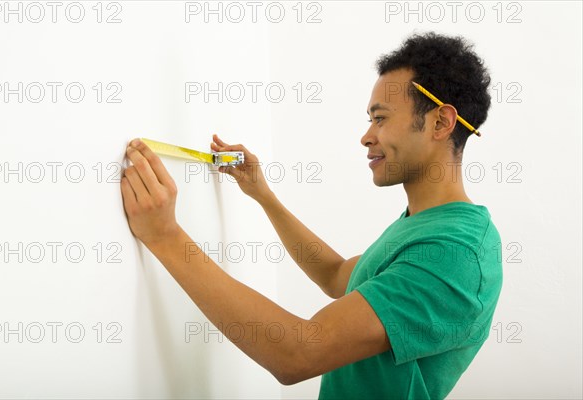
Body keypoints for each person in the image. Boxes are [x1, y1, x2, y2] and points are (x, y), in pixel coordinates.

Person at [120, 31, 503, 399]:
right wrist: (263, 195)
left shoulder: (456, 251)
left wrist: (165, 236)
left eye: (380, 118)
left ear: (440, 122)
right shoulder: (425, 225)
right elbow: (337, 276)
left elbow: (298, 353)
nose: (366, 136)